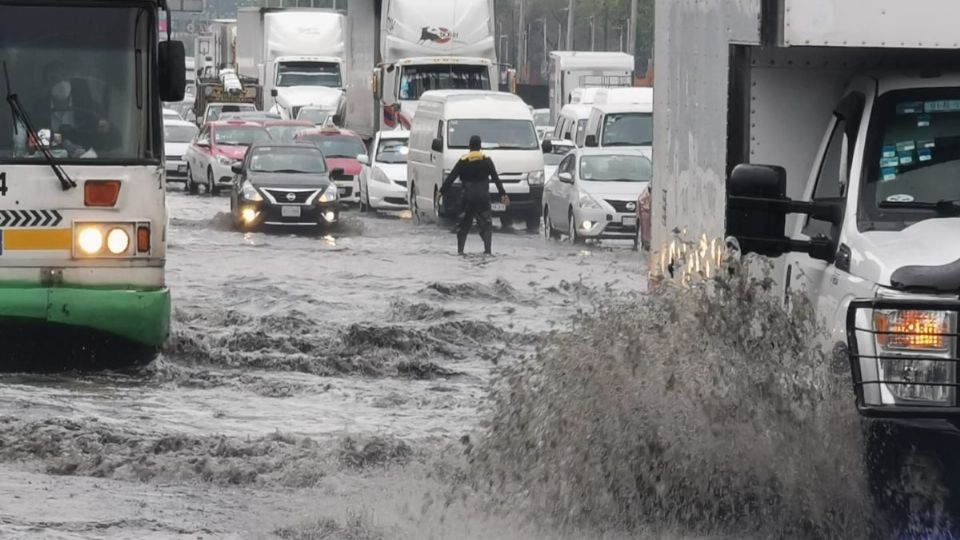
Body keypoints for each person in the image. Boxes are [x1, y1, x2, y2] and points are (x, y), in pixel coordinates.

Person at [439, 135, 510, 255]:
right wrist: (503, 194)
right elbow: (496, 178)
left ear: (469, 147)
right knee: (486, 226)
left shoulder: (463, 161)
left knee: (463, 227)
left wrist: (441, 192)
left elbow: (451, 178)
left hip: (467, 199)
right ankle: (487, 251)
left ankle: (460, 251)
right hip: (483, 199)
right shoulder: (487, 160)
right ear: (480, 146)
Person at [31, 61, 114, 155]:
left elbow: (106, 141)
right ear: (46, 85)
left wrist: (106, 129)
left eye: (64, 76)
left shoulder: (89, 107)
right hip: (51, 163)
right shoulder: (40, 108)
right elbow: (36, 139)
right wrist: (62, 143)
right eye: (54, 78)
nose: (61, 82)